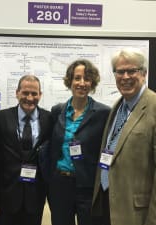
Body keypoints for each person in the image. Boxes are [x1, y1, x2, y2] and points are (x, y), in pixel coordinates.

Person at [91, 48, 156, 225]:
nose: (125, 77)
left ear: (144, 73)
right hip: (111, 207)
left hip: (141, 216)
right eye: (120, 71)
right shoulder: (117, 107)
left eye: (132, 70)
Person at [47, 59, 110, 225]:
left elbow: (106, 149)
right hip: (60, 184)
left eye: (87, 79)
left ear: (92, 83)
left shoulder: (103, 113)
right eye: (77, 78)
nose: (82, 83)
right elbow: (52, 147)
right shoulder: (57, 110)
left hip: (87, 184)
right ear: (70, 81)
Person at [0, 75, 53, 225]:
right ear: (17, 93)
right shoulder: (0, 117)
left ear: (40, 95)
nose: (30, 98)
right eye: (25, 93)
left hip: (36, 194)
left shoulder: (49, 118)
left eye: (34, 93)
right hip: (7, 194)